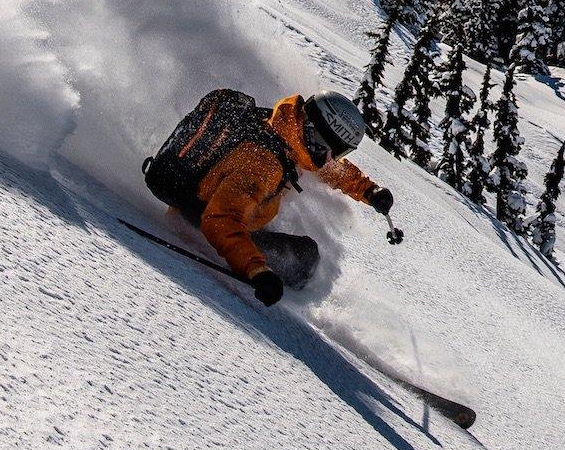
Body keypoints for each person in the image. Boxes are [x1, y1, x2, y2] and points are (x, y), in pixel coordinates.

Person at [144, 88, 395, 304]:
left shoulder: (282, 129)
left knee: (302, 250)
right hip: (203, 226)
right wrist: (257, 270)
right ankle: (300, 306)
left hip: (225, 211)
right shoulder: (263, 165)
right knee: (304, 258)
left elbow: (331, 170)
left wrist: (368, 191)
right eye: (333, 152)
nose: (332, 161)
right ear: (317, 140)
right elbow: (221, 220)